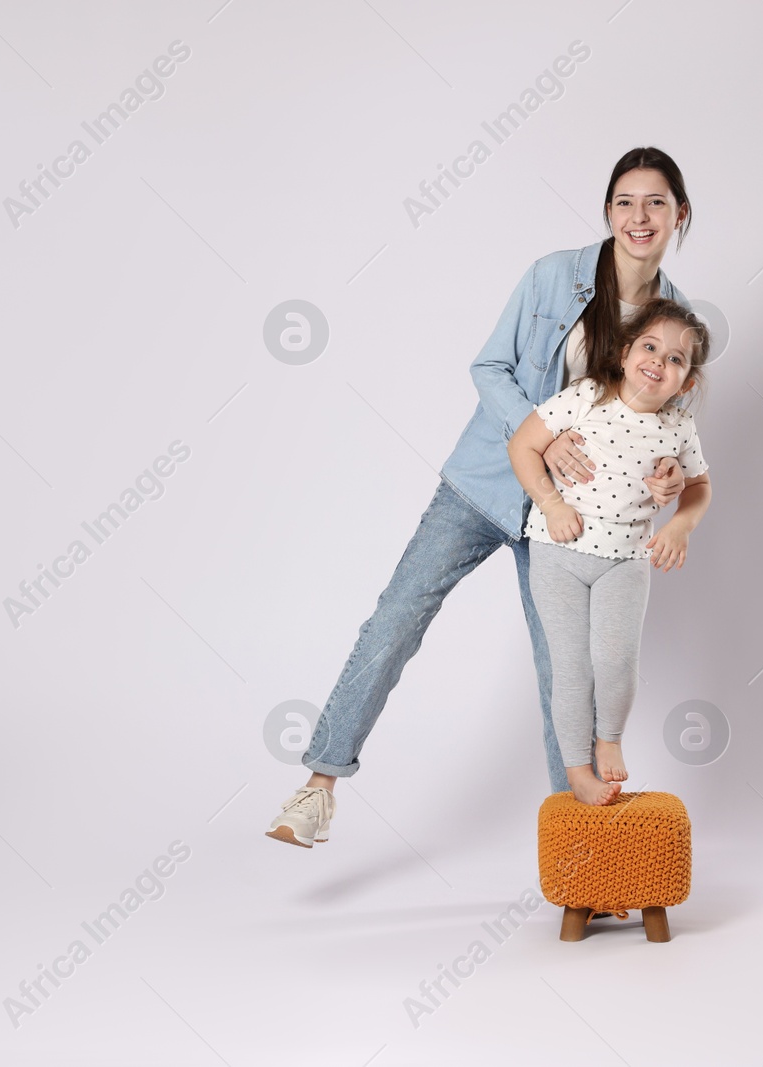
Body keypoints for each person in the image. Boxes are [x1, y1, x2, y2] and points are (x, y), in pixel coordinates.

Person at [266, 147, 697, 848]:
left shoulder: (671, 321)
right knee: (396, 617)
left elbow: (659, 426)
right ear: (608, 210)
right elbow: (488, 365)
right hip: (486, 483)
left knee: (566, 671)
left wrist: (670, 476)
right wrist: (543, 440)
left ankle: (580, 849)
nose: (639, 216)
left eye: (655, 203)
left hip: (572, 520)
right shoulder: (553, 276)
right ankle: (319, 786)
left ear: (679, 214)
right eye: (625, 200)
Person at [508, 299, 713, 805]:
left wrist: (682, 526)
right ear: (624, 353)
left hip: (625, 560)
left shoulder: (677, 429)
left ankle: (609, 739)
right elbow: (522, 445)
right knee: (571, 665)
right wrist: (552, 504)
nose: (658, 362)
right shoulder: (586, 396)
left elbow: (701, 486)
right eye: (649, 346)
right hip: (559, 555)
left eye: (675, 360)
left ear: (686, 383)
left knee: (617, 659)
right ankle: (577, 768)